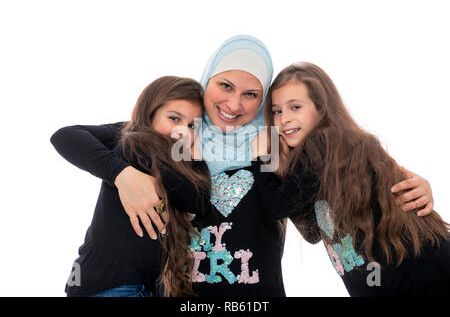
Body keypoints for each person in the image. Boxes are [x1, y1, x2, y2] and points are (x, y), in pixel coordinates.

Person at [50, 35, 435, 296]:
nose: (235, 105)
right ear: (208, 81)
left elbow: (325, 205)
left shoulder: (277, 143)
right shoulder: (166, 135)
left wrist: (407, 185)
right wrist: (124, 175)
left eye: (252, 94)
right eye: (225, 87)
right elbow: (68, 136)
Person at [254, 61, 450, 296]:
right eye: (277, 111)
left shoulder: (322, 142)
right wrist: (282, 172)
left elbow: (276, 208)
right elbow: (314, 233)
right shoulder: (326, 163)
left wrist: (262, 158)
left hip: (419, 275)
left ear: (321, 108)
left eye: (295, 107)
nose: (284, 118)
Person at [51, 76, 211, 297]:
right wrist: (122, 174)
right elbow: (198, 199)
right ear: (151, 112)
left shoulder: (136, 142)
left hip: (113, 284)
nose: (183, 131)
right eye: (174, 118)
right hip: (116, 286)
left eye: (193, 125)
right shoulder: (139, 146)